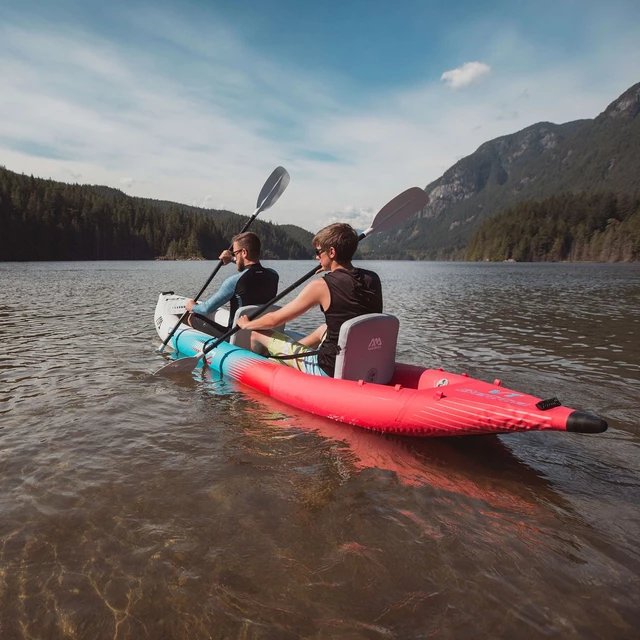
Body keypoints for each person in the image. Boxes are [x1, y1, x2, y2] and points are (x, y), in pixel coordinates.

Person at [236, 222, 382, 377]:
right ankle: (287, 355)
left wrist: (247, 324)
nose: (316, 256)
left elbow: (274, 320)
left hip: (329, 368)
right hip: (360, 361)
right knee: (324, 329)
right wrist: (329, 270)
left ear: (332, 252)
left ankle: (262, 371)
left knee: (257, 333)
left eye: (319, 252)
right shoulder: (372, 278)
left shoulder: (321, 285)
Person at [185, 232, 279, 338]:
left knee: (194, 316)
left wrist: (192, 306)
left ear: (244, 252)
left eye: (235, 253)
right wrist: (232, 258)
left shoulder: (234, 281)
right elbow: (252, 266)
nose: (234, 256)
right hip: (261, 334)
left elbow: (206, 309)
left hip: (235, 337)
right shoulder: (273, 275)